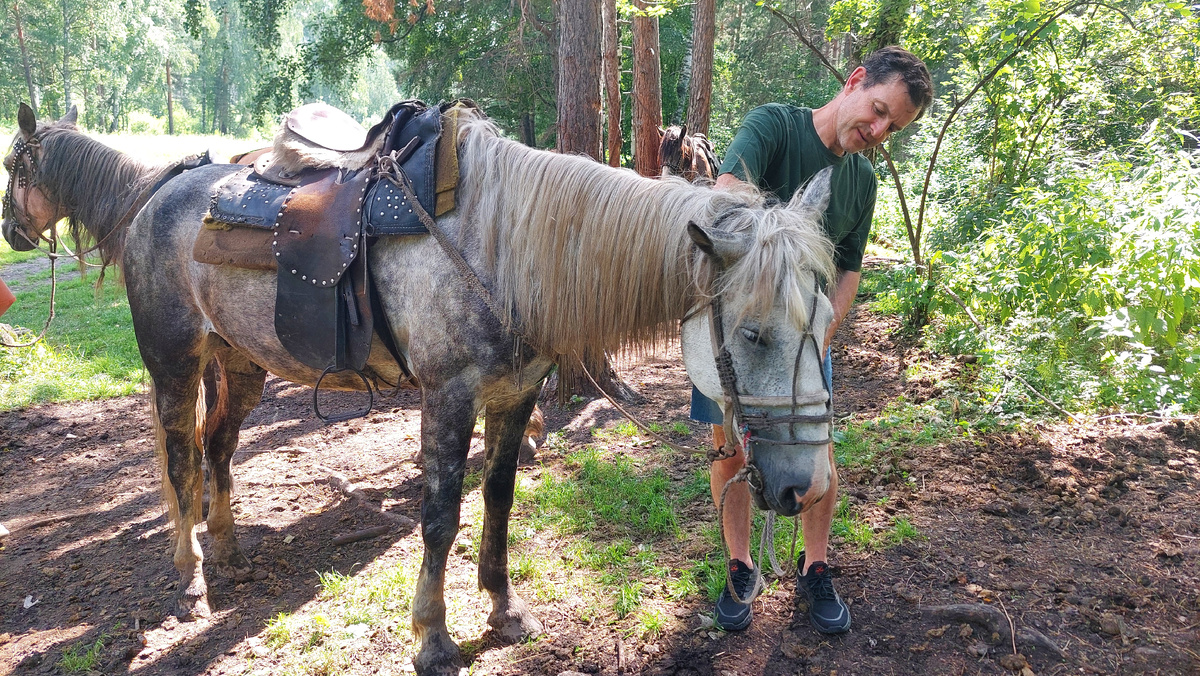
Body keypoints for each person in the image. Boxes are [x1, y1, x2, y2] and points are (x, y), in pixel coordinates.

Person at [694, 45, 933, 633]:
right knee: (731, 450)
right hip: (738, 341)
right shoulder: (773, 127)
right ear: (854, 82)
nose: (878, 130)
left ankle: (816, 568)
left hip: (807, 344)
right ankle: (740, 566)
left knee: (820, 455)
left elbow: (849, 269)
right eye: (877, 110)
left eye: (892, 126)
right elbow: (722, 203)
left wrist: (822, 335)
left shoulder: (863, 181)